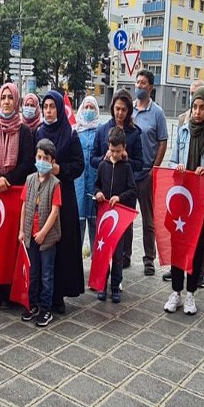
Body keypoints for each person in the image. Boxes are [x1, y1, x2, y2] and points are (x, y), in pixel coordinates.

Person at [164, 86, 204, 316]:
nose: (197, 112)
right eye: (194, 107)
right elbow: (171, 162)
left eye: (202, 108)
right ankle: (176, 292)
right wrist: (177, 168)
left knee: (198, 248)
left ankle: (191, 294)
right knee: (178, 246)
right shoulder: (182, 131)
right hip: (182, 199)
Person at [0, 83, 35, 308]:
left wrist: (8, 180)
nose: (6, 102)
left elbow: (28, 162)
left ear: (16, 101)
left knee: (10, 244)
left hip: (14, 195)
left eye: (10, 98)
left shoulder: (24, 131)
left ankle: (10, 291)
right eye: (3, 97)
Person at [37, 91, 84, 313]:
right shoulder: (38, 132)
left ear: (58, 108)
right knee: (45, 243)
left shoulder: (70, 134)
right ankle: (44, 293)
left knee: (63, 244)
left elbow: (79, 165)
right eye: (45, 106)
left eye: (52, 106)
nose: (48, 110)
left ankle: (59, 295)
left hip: (64, 196)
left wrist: (60, 169)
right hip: (42, 196)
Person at [18, 138, 62, 327]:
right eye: (39, 157)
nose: (41, 161)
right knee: (33, 272)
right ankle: (33, 304)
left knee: (46, 275)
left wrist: (44, 232)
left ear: (52, 161)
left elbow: (55, 210)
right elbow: (24, 205)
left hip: (47, 238)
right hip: (30, 235)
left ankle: (46, 309)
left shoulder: (55, 183)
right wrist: (21, 230)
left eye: (46, 158)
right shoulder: (29, 179)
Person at [90, 91, 145, 240]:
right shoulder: (102, 130)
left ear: (129, 111)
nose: (120, 113)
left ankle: (124, 259)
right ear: (112, 108)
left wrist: (127, 159)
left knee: (124, 233)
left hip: (125, 193)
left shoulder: (134, 133)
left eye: (124, 110)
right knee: (105, 232)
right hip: (106, 192)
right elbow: (92, 159)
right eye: (117, 109)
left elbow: (140, 164)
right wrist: (104, 157)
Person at [129, 70, 168, 276]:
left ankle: (149, 259)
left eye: (143, 83)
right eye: (137, 82)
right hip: (129, 173)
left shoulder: (158, 113)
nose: (139, 86)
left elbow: (163, 141)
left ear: (151, 87)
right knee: (126, 216)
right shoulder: (130, 110)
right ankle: (125, 255)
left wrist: (155, 167)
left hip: (147, 174)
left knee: (148, 220)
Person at [92, 127, 136, 302]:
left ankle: (115, 285)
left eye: (118, 151)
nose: (115, 154)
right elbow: (96, 185)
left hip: (119, 219)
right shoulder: (103, 165)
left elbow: (132, 190)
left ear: (124, 148)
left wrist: (120, 197)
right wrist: (98, 194)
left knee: (117, 255)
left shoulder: (126, 167)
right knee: (103, 252)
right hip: (104, 218)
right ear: (107, 147)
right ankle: (101, 284)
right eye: (112, 150)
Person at [74, 96, 101, 254]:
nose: (89, 111)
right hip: (78, 184)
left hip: (95, 183)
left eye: (92, 108)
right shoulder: (75, 130)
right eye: (86, 107)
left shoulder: (101, 130)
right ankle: (75, 267)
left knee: (95, 224)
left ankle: (97, 265)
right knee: (78, 224)